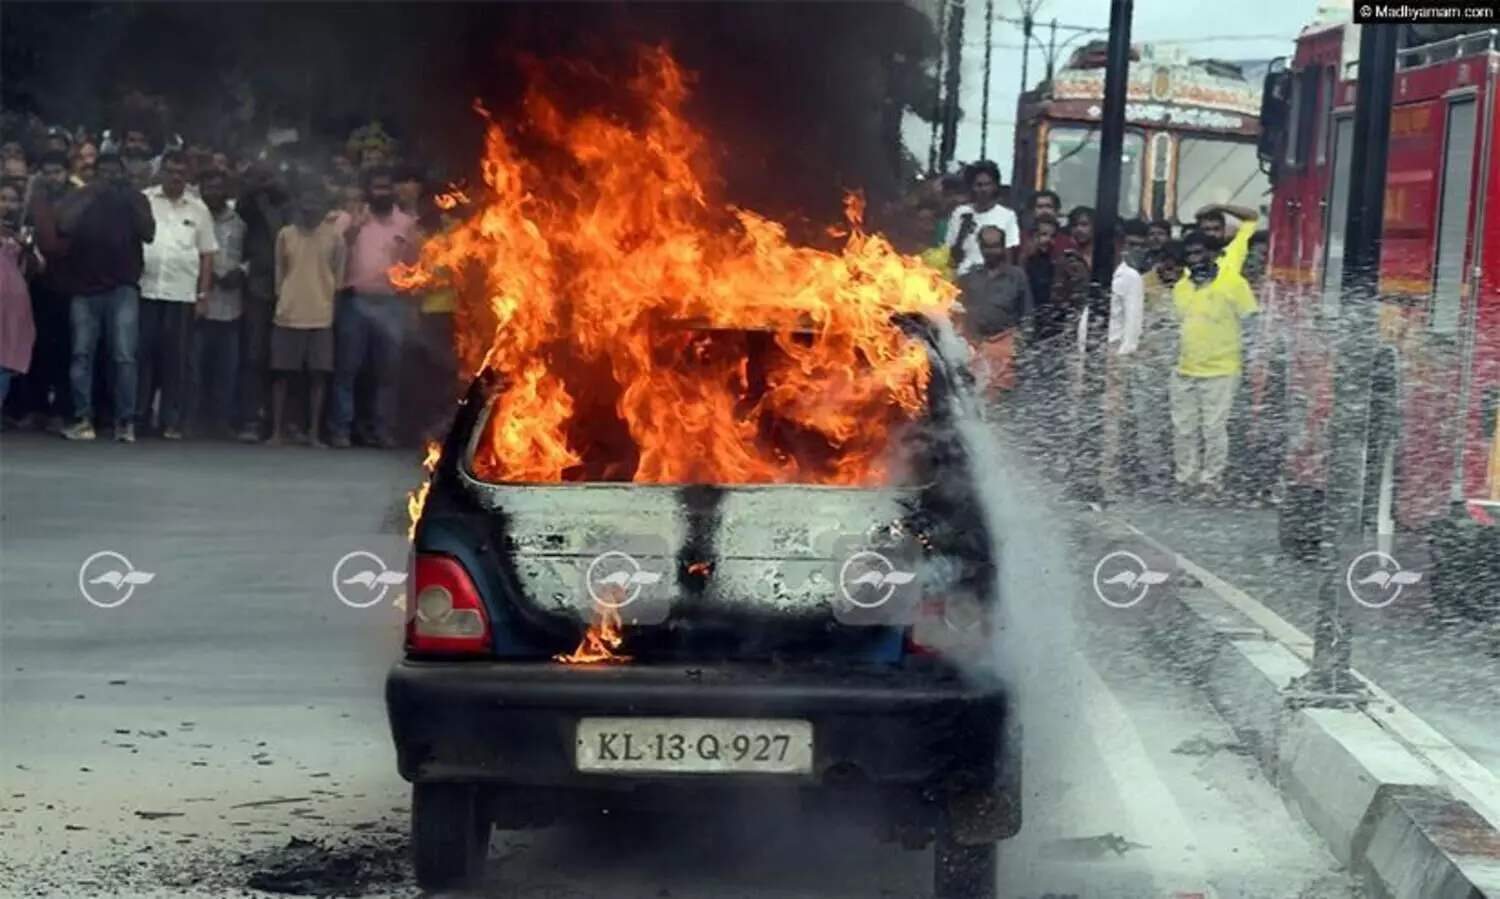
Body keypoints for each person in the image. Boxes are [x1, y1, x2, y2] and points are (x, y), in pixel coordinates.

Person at [55, 152, 155, 442]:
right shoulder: (81, 197)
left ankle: (125, 421)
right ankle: (83, 419)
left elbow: (148, 232)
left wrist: (129, 195)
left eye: (115, 173)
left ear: (123, 174)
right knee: (81, 354)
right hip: (84, 288)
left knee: (124, 356)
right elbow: (64, 226)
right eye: (104, 173)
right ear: (95, 174)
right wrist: (91, 193)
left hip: (122, 287)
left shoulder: (135, 198)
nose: (110, 178)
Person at [329, 166, 419, 449]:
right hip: (355, 302)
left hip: (392, 305)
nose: (382, 192)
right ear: (368, 191)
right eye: (376, 188)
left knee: (388, 373)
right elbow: (331, 253)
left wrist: (411, 305)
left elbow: (414, 265)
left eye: (386, 187)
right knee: (347, 369)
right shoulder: (349, 219)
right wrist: (353, 230)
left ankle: (382, 431)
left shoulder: (406, 223)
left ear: (393, 191)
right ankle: (341, 429)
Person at [1171, 230, 1259, 503]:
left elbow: (1251, 323)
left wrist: (1252, 360)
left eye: (1199, 253)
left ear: (1213, 254)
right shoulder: (1181, 287)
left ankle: (1212, 483)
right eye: (1189, 255)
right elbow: (1178, 326)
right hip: (1185, 369)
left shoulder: (1233, 282)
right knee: (1183, 429)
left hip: (1222, 369)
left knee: (1213, 429)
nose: (1194, 259)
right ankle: (1186, 481)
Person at [138, 150, 218, 440]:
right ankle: (140, 416)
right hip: (146, 290)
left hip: (181, 295)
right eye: (170, 171)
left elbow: (207, 255)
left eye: (180, 173)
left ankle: (170, 420)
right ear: (161, 172)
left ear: (188, 175)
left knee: (175, 361)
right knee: (143, 357)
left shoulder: (198, 209)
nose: (175, 177)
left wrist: (203, 295)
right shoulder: (144, 200)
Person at [269, 183, 347, 446]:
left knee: (319, 376)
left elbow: (338, 280)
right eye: (305, 204)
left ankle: (314, 433)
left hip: (321, 315)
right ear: (298, 207)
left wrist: (332, 311)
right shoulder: (285, 235)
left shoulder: (335, 238)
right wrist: (282, 301)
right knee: (281, 375)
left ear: (323, 209)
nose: (309, 209)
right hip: (288, 313)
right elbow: (279, 273)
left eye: (315, 204)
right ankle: (276, 432)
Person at [8, 150, 76, 431]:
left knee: (66, 349)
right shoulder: (33, 200)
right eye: (47, 172)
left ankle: (61, 410)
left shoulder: (77, 200)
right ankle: (35, 408)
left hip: (70, 285)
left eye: (57, 172)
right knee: (36, 349)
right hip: (37, 284)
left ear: (67, 173)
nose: (52, 178)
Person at [234, 158, 290, 441]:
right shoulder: (250, 208)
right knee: (254, 354)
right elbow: (243, 204)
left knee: (284, 358)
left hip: (289, 290)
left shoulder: (288, 207)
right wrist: (257, 187)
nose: (269, 181)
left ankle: (282, 421)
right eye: (263, 176)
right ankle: (250, 419)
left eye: (272, 175)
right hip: (258, 288)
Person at [190, 169, 246, 437]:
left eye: (217, 187)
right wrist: (202, 274)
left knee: (226, 371)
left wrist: (241, 272)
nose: (213, 192)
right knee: (195, 369)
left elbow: (252, 254)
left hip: (231, 306)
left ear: (226, 190)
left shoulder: (240, 222)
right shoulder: (193, 217)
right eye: (208, 187)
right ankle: (192, 420)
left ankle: (220, 422)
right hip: (200, 306)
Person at [954, 225, 1032, 400]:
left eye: (995, 246)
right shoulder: (970, 278)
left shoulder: (1016, 276)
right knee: (972, 395)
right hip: (974, 346)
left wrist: (1019, 347)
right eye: (986, 247)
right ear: (980, 247)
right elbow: (957, 313)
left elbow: (1027, 316)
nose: (991, 252)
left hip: (1004, 346)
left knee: (999, 399)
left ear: (1003, 246)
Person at [1134, 240, 1186, 489]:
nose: (1173, 272)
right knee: (1149, 421)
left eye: (1178, 268)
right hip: (1148, 365)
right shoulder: (1142, 285)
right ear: (1161, 262)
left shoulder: (1190, 285)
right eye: (1169, 266)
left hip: (1183, 366)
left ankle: (1178, 472)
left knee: (1179, 422)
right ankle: (1154, 473)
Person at [943, 161, 1020, 277]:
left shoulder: (1008, 215)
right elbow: (949, 252)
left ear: (995, 186)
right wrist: (962, 233)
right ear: (972, 187)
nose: (983, 189)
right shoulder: (960, 213)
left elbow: (1009, 254)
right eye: (979, 185)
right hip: (962, 276)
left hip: (991, 279)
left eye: (987, 184)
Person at [0, 181, 38, 408]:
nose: (7, 205)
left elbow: (36, 268)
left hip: (13, 308)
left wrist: (26, 248)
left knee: (5, 363)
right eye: (3, 199)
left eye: (13, 200)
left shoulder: (22, 233)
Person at [1194, 203, 1259, 276]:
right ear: (1198, 231)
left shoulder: (1235, 248)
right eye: (1207, 229)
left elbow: (1252, 217)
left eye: (1216, 229)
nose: (1212, 234)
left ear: (1224, 230)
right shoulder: (1191, 255)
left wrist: (1220, 207)